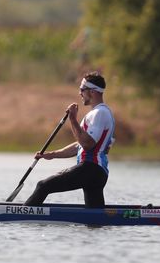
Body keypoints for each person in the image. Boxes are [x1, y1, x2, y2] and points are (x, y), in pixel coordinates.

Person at [24, 71, 115, 208]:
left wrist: (73, 119)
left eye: (82, 89)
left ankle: (22, 215)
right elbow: (80, 145)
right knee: (94, 215)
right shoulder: (100, 113)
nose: (80, 93)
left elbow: (87, 144)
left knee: (43, 185)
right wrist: (52, 155)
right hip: (96, 172)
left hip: (90, 168)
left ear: (93, 91)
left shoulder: (99, 113)